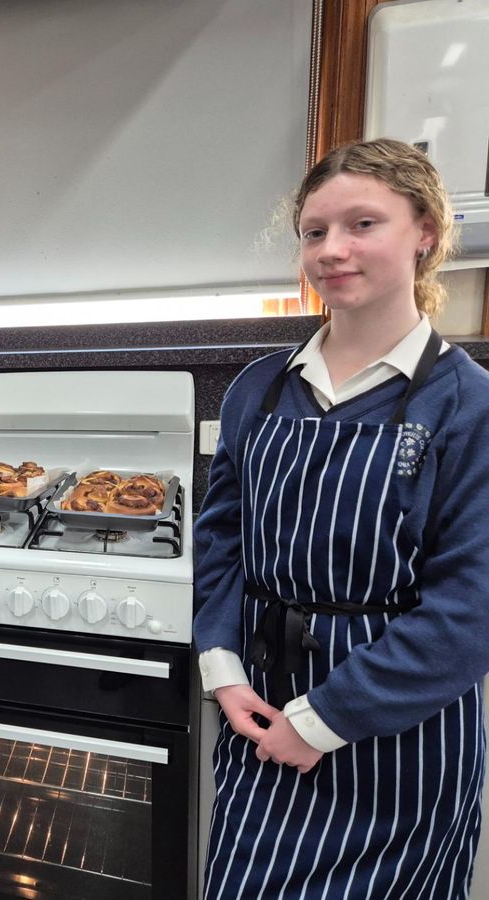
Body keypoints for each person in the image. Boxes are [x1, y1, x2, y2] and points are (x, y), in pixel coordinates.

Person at [194, 137, 489, 898]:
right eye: (314, 232)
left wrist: (325, 719)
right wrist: (222, 668)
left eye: (363, 224)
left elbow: (471, 607)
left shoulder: (467, 404)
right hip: (260, 713)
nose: (332, 250)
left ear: (424, 233)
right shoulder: (258, 388)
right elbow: (220, 538)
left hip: (398, 740)